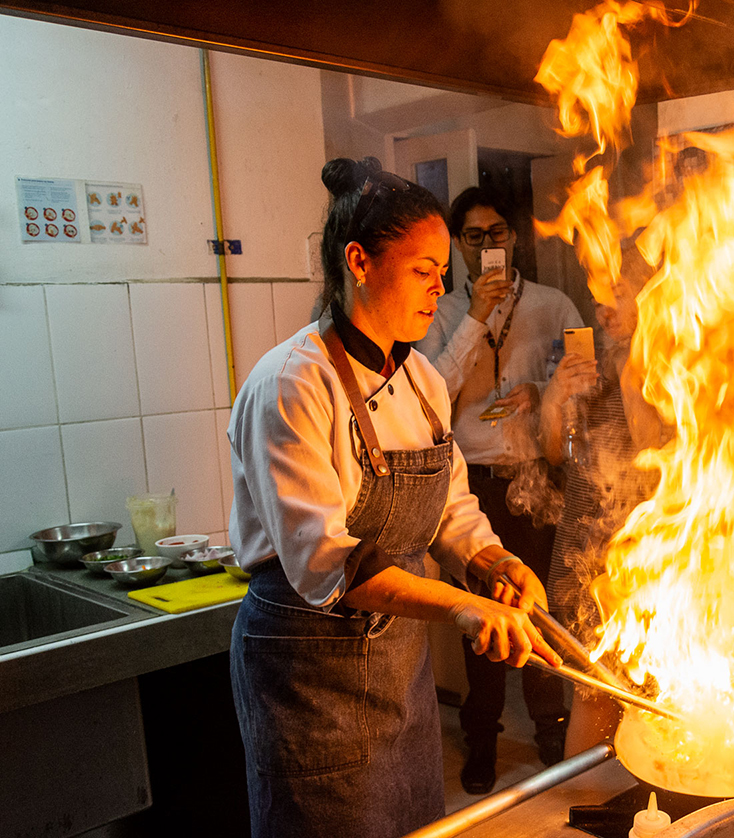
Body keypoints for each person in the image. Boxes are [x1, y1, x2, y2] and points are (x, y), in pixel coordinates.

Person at [226, 157, 560, 838]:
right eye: (423, 269)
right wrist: (464, 608)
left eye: (444, 270)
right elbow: (328, 565)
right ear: (358, 261)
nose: (442, 287)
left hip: (395, 667)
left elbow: (450, 509)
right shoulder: (293, 383)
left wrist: (492, 564)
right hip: (309, 669)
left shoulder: (422, 382)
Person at [415, 186, 584, 793]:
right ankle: (481, 736)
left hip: (537, 481)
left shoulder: (551, 303)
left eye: (498, 233)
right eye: (474, 236)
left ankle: (549, 727)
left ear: (514, 237)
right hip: (473, 489)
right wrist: (475, 320)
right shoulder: (437, 312)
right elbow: (428, 391)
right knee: (483, 622)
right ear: (459, 245)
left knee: (540, 612)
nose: (488, 245)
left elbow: (581, 380)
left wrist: (544, 394)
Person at [539, 245, 662, 757]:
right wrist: (556, 396)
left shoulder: (673, 360)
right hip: (583, 547)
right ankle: (581, 815)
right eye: (598, 299)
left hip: (644, 554)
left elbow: (656, 451)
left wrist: (632, 372)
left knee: (650, 699)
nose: (603, 311)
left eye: (616, 296)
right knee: (593, 695)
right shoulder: (581, 361)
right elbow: (552, 453)